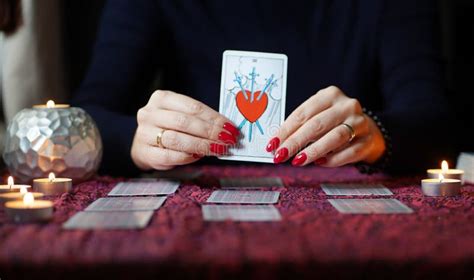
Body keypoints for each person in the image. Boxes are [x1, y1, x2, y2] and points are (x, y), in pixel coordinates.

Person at [72, 0, 454, 176]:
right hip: (199, 207)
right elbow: (85, 119)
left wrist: (378, 136)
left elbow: (436, 127)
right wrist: (136, 141)